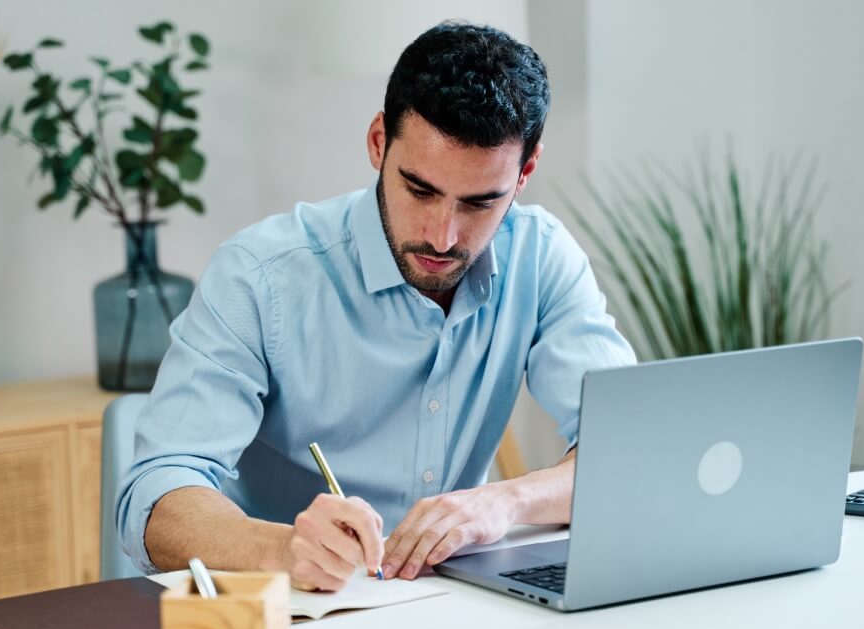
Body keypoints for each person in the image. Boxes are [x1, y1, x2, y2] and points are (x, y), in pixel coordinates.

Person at [116, 21, 635, 591]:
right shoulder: (259, 276)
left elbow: (630, 446)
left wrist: (506, 501)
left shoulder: (540, 255)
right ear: (378, 142)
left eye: (479, 203)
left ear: (525, 172)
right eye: (420, 190)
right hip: (292, 608)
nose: (442, 236)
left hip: (454, 602)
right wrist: (280, 548)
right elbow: (154, 498)